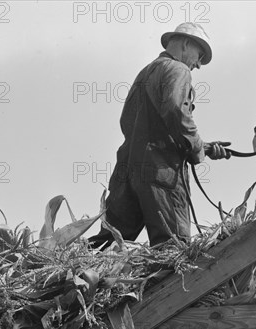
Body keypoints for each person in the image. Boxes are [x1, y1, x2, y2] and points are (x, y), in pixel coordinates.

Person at [89, 22, 230, 250]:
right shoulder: (178, 70)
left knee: (105, 249)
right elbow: (176, 110)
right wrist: (196, 150)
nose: (198, 65)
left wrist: (205, 146)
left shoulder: (145, 73)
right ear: (186, 44)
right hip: (160, 173)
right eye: (199, 55)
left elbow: (144, 125)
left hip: (126, 174)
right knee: (173, 249)